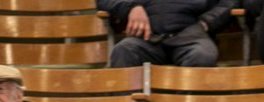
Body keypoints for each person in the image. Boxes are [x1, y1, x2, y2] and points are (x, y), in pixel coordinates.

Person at [99, 0, 241, 68]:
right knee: (124, 50)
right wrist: (131, 8)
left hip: (190, 34)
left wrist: (207, 22)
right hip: (147, 36)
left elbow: (229, 2)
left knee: (202, 54)